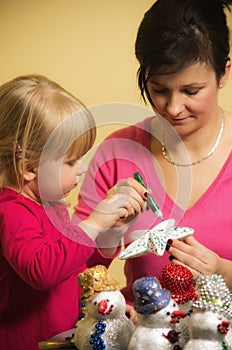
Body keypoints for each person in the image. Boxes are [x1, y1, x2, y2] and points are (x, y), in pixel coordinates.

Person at [75, 0, 232, 307]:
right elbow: (77, 276)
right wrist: (105, 229)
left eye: (191, 91)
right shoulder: (117, 153)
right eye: (159, 89)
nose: (173, 108)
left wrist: (222, 270)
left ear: (223, 73)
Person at [0, 74, 147, 350]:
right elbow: (43, 271)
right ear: (29, 168)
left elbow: (74, 268)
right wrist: (94, 220)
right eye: (70, 162)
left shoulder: (52, 205)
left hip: (65, 337)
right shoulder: (11, 212)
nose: (81, 169)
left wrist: (112, 231)